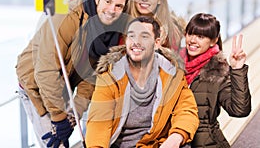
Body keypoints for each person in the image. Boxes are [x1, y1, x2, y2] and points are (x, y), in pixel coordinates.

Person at [15, 0, 131, 148]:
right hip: (36, 85)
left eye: (118, 6)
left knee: (63, 140)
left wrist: (74, 112)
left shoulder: (109, 31)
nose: (112, 9)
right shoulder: (67, 17)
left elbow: (90, 76)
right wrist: (59, 118)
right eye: (108, 1)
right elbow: (46, 71)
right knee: (55, 144)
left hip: (62, 87)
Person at [85, 16, 199, 147]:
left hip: (157, 143)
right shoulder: (110, 78)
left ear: (156, 43)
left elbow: (186, 109)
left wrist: (176, 137)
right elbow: (98, 125)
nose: (136, 42)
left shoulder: (172, 74)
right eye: (132, 36)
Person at [179, 13, 252, 147]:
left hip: (206, 143)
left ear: (214, 40)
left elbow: (239, 110)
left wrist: (237, 70)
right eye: (190, 34)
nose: (192, 40)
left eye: (200, 36)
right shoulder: (174, 64)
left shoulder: (218, 72)